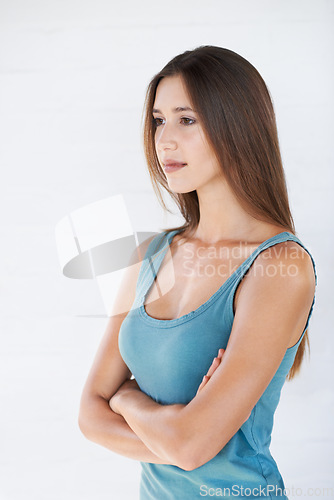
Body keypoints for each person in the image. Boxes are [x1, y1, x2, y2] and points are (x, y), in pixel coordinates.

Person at [78, 46, 317, 499]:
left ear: (238, 127)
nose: (164, 139)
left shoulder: (278, 266)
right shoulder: (150, 253)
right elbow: (89, 415)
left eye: (186, 119)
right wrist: (174, 430)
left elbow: (190, 448)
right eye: (158, 120)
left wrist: (126, 399)